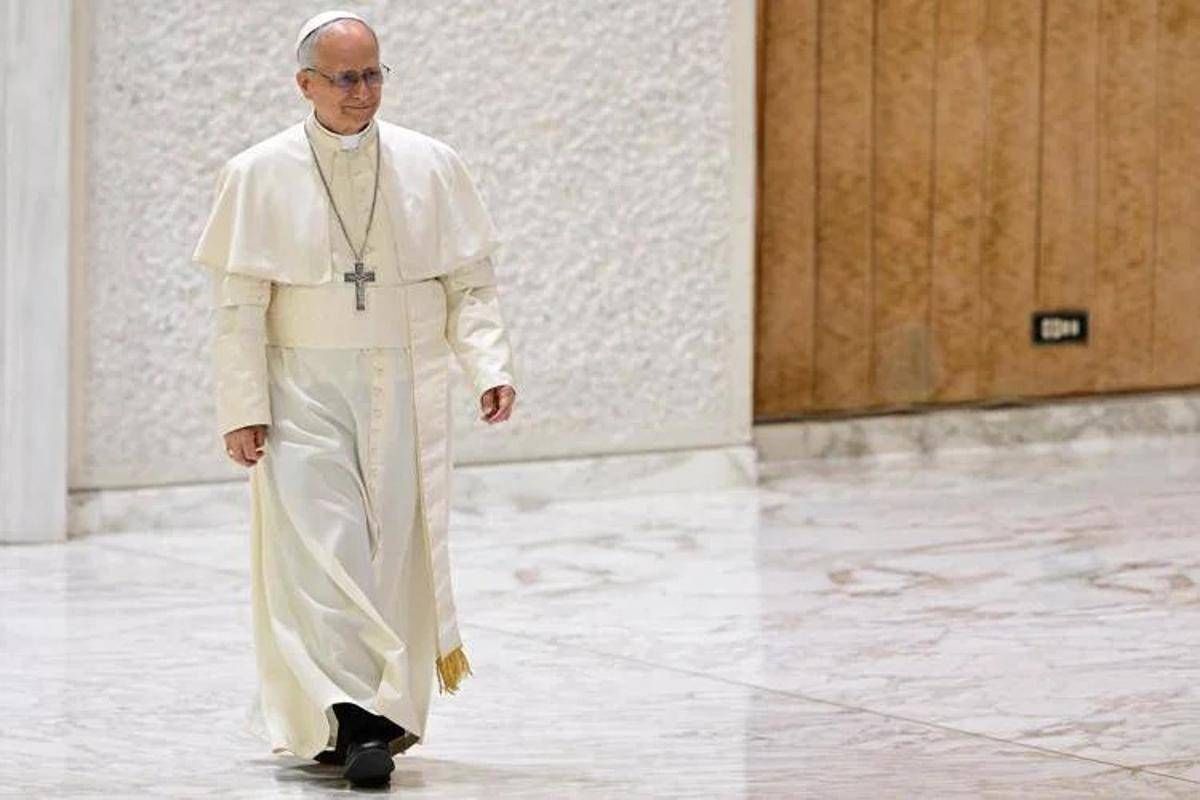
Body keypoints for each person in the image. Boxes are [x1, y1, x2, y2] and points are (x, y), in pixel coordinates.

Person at [190, 9, 518, 787]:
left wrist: (489, 366)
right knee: (323, 550)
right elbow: (239, 307)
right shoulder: (257, 173)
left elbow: (469, 285)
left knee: (388, 552)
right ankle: (352, 716)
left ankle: (375, 712)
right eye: (344, 77)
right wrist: (242, 407)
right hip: (301, 388)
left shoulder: (430, 164)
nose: (361, 91)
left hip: (403, 384)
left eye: (372, 74)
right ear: (304, 84)